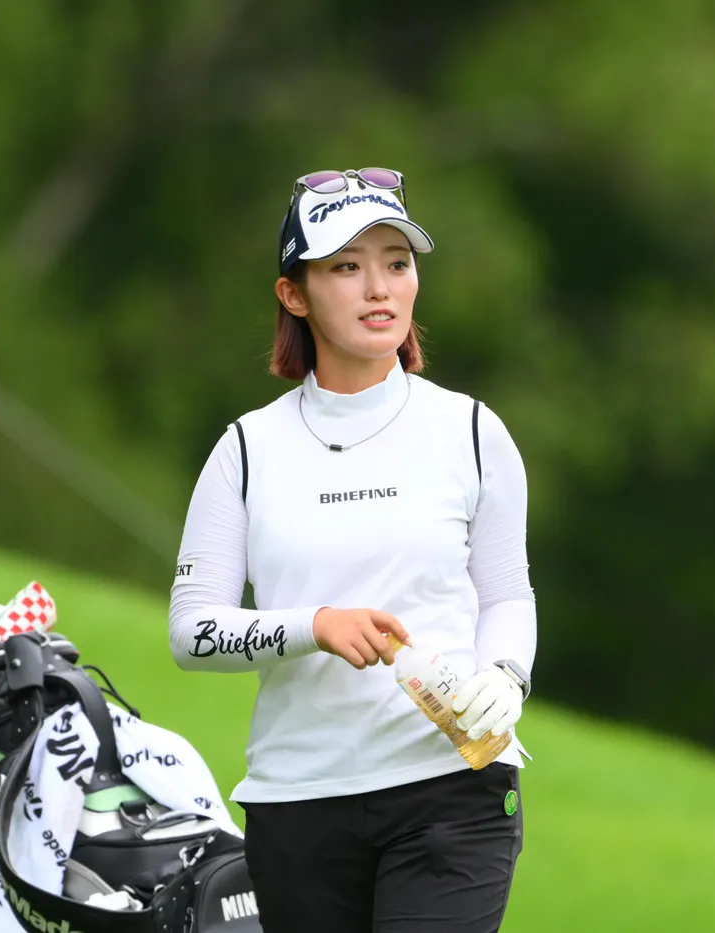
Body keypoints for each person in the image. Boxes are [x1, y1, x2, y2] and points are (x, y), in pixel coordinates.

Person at [168, 167, 537, 933]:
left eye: (396, 263)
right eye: (345, 267)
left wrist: (506, 675)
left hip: (452, 788)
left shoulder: (472, 431)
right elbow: (192, 630)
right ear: (294, 294)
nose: (379, 288)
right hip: (299, 804)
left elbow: (507, 595)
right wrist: (315, 626)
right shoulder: (247, 448)